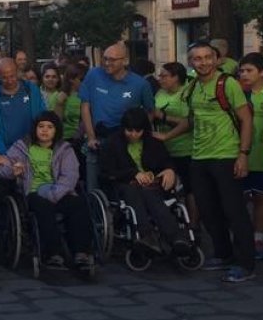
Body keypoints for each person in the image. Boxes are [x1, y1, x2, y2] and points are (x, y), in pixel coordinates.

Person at [158, 41, 255, 282]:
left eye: (207, 57)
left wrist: (243, 153)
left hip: (226, 155)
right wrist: (166, 136)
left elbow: (246, 119)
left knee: (234, 211)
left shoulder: (227, 84)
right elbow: (191, 120)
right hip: (199, 157)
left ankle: (246, 264)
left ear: (216, 59)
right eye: (197, 58)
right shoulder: (191, 88)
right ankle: (224, 255)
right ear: (190, 62)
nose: (203, 62)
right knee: (209, 210)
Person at [0, 112, 95, 272]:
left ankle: (81, 252)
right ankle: (53, 254)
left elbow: (70, 175)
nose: (45, 130)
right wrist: (13, 171)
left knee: (78, 204)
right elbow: (3, 169)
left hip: (59, 190)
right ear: (35, 129)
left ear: (56, 130)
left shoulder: (64, 149)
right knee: (43, 208)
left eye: (50, 127)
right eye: (41, 126)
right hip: (32, 192)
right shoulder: (21, 147)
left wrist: (55, 194)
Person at [99, 108, 186, 257]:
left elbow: (166, 161)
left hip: (152, 185)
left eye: (138, 131)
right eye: (129, 130)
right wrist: (134, 174)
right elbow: (107, 172)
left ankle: (176, 239)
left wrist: (170, 170)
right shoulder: (112, 143)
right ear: (123, 128)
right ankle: (149, 235)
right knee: (138, 192)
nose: (133, 134)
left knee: (150, 193)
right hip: (125, 185)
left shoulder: (152, 142)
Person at [80, 42, 156, 188]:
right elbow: (85, 106)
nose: (107, 63)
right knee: (93, 186)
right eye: (105, 59)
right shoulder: (94, 74)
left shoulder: (140, 84)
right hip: (99, 137)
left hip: (124, 140)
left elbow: (150, 111)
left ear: (125, 61)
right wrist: (90, 137)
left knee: (123, 184)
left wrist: (139, 133)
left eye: (112, 60)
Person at [236, 52, 263, 260]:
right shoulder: (237, 94)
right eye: (241, 70)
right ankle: (241, 238)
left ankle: (258, 238)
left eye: (249, 70)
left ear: (262, 72)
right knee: (240, 199)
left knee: (262, 197)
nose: (244, 74)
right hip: (238, 157)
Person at [0, 58, 47, 168]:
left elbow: (42, 117)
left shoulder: (30, 89)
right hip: (7, 153)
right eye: (4, 77)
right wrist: (6, 155)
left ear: (17, 72)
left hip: (33, 150)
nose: (10, 80)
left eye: (12, 76)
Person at [151, 62, 195, 221]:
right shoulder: (160, 93)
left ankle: (194, 224)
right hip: (164, 149)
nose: (160, 79)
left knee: (190, 188)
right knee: (164, 186)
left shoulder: (187, 93)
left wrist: (163, 117)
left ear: (176, 77)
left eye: (164, 76)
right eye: (159, 75)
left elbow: (189, 122)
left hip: (185, 148)